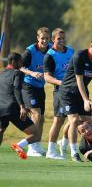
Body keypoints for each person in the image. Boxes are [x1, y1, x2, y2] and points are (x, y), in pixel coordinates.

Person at [58, 35, 92, 162]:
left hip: (82, 92)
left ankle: (63, 142)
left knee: (87, 122)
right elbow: (79, 80)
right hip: (67, 91)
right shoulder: (79, 56)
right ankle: (74, 153)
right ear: (91, 46)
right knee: (74, 120)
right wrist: (86, 100)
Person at [0, 53, 40, 159]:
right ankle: (19, 145)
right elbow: (17, 89)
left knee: (1, 131)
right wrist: (22, 106)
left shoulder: (1, 74)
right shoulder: (18, 73)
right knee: (35, 134)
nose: (22, 64)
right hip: (12, 108)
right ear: (13, 62)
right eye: (20, 62)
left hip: (1, 108)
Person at [20, 27, 51, 157]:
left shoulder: (51, 49)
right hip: (28, 85)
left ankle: (37, 145)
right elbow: (20, 67)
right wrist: (32, 73)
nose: (44, 41)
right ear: (37, 38)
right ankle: (31, 147)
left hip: (40, 87)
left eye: (47, 38)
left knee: (42, 118)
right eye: (42, 38)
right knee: (36, 114)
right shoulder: (30, 51)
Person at [44, 28, 74, 160]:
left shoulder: (71, 51)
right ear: (53, 40)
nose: (61, 41)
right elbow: (47, 77)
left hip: (74, 90)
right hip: (60, 91)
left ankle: (64, 141)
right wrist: (61, 83)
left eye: (63, 38)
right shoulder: (50, 55)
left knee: (77, 119)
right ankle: (51, 150)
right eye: (58, 39)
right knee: (59, 120)